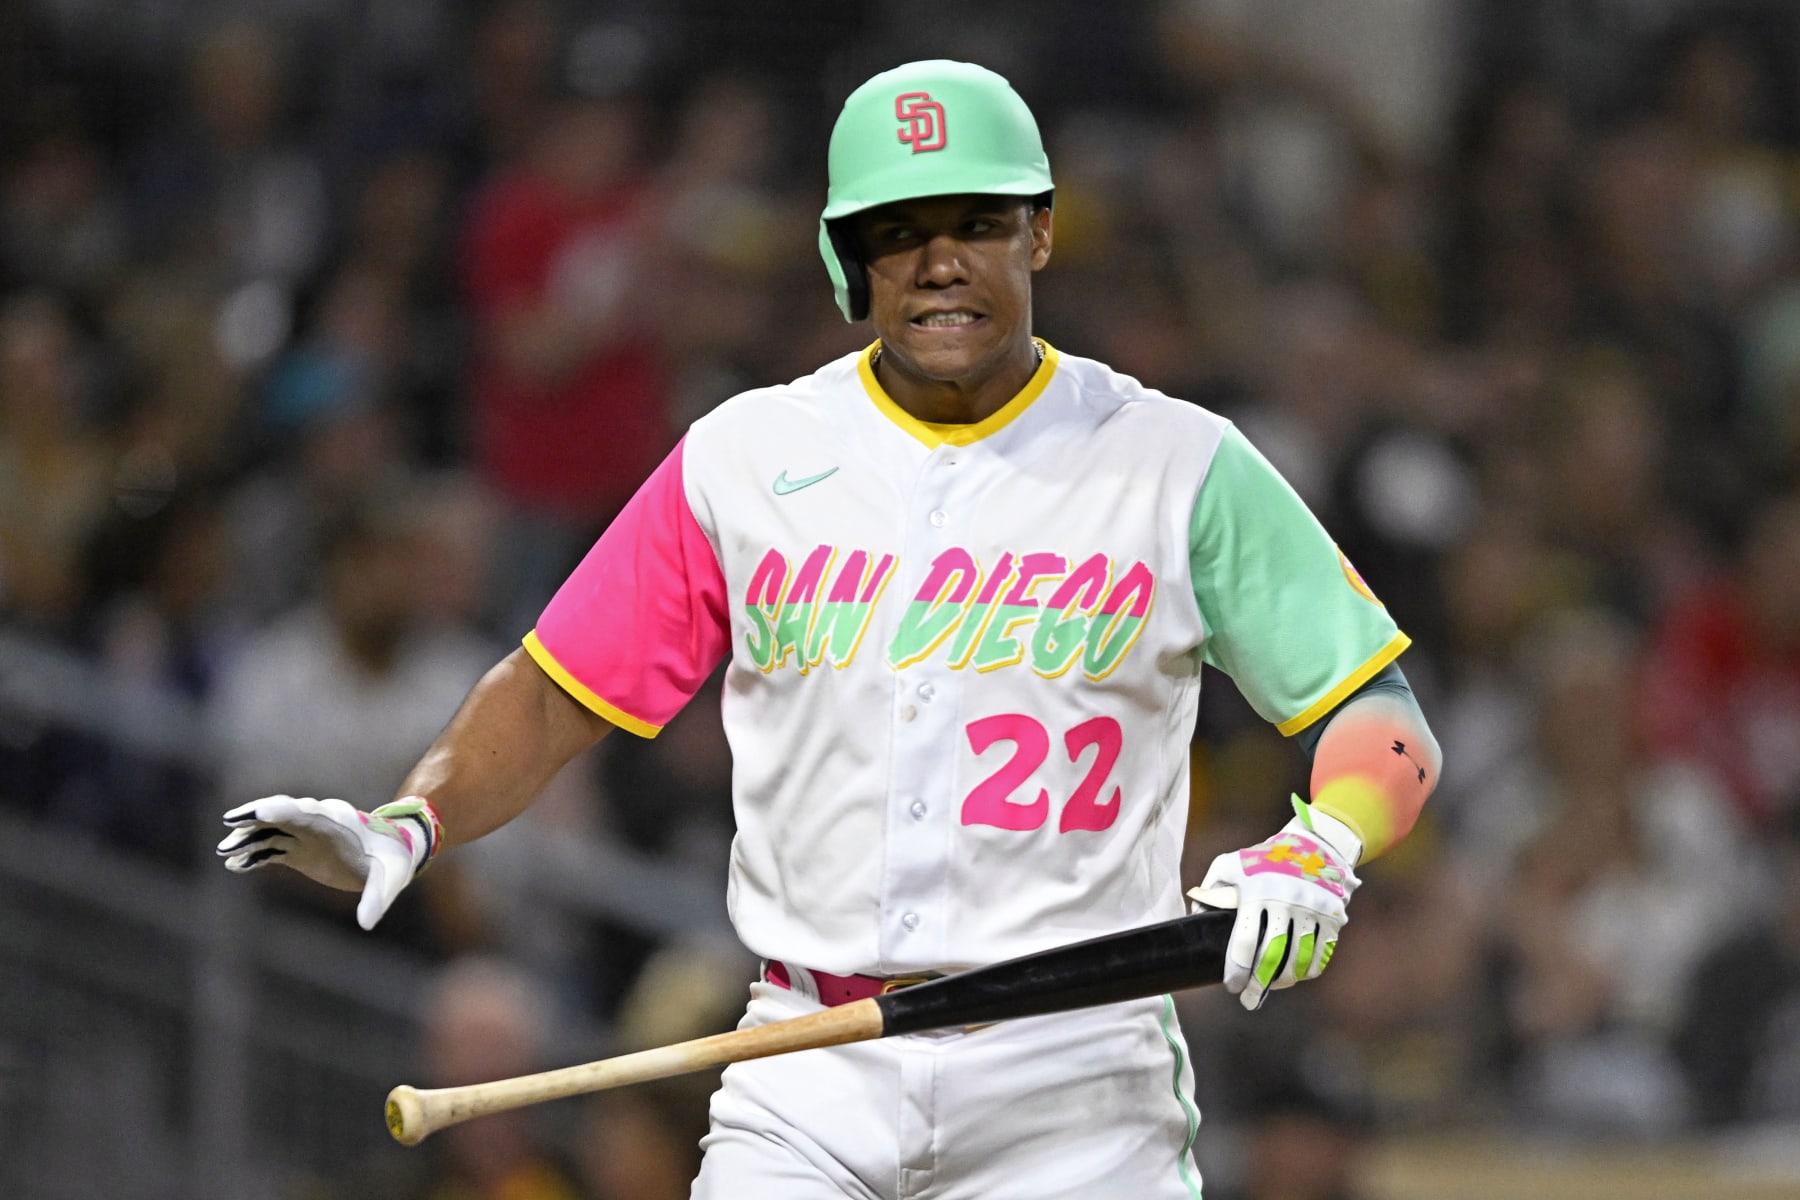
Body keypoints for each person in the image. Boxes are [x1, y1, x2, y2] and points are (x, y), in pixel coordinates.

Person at [219, 60, 1441, 1198]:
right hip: (809, 1063)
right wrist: (411, 819)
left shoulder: (1178, 461)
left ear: (1040, 232)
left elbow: (1383, 718)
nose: (940, 263)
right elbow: (552, 691)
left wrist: (1322, 843)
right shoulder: (745, 456)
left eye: (976, 222)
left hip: (1076, 1086)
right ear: (844, 259)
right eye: (897, 233)